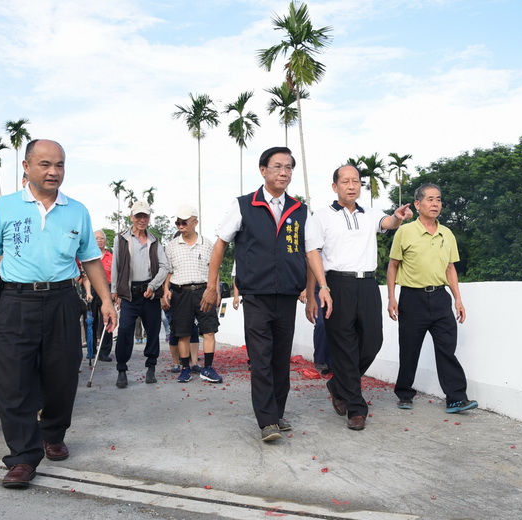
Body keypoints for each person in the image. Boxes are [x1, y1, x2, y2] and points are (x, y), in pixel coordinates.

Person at [0, 139, 115, 488]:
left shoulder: (77, 211)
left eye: (59, 165)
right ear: (27, 167)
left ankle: (53, 433)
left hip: (62, 299)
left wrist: (106, 300)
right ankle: (22, 457)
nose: (53, 171)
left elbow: (90, 259)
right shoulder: (5, 207)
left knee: (62, 375)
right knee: (12, 381)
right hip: (15, 300)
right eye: (45, 164)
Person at [202, 146, 330, 442]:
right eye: (277, 166)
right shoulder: (244, 205)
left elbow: (311, 251)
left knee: (280, 359)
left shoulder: (299, 210)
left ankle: (276, 412)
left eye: (289, 167)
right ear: (263, 170)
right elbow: (221, 244)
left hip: (286, 296)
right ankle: (266, 420)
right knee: (261, 357)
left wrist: (316, 291)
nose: (284, 172)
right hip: (256, 296)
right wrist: (212, 284)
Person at [306, 165, 412, 430]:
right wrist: (322, 287)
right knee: (344, 346)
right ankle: (356, 408)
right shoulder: (321, 217)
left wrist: (398, 217)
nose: (351, 185)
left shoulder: (370, 213)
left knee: (373, 341)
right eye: (345, 181)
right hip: (337, 284)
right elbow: (313, 253)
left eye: (356, 181)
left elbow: (388, 223)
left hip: (368, 285)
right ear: (335, 187)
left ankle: (337, 384)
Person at [387, 183, 478, 414]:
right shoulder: (405, 232)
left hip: (440, 298)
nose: (435, 203)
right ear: (417, 204)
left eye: (438, 199)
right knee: (409, 350)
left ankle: (456, 398)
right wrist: (391, 298)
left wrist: (458, 299)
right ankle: (404, 393)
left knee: (447, 348)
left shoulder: (447, 233)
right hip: (412, 299)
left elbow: (450, 269)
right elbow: (393, 265)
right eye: (430, 199)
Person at [162, 204, 222, 383]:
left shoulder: (207, 244)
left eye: (184, 222)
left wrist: (216, 291)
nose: (180, 226)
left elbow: (214, 269)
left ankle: (208, 368)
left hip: (204, 291)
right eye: (178, 223)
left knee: (209, 330)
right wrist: (165, 291)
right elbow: (168, 271)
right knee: (183, 333)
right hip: (181, 293)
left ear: (195, 222)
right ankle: (185, 369)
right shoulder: (171, 246)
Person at [111, 201, 168, 388]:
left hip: (149, 293)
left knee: (152, 330)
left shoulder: (154, 240)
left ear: (149, 218)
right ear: (132, 217)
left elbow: (164, 266)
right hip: (129, 293)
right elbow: (116, 266)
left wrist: (153, 285)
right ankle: (121, 369)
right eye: (138, 216)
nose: (142, 220)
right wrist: (114, 290)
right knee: (125, 330)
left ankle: (151, 366)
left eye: (145, 216)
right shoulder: (121, 239)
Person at [92, 230, 114, 361]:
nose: (99, 241)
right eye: (96, 238)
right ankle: (92, 349)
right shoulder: (89, 256)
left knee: (107, 321)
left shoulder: (111, 257)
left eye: (101, 238)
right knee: (91, 320)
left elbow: (116, 275)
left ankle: (104, 351)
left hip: (108, 288)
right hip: (92, 289)